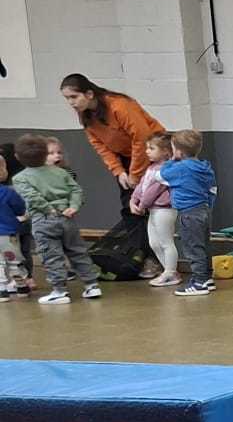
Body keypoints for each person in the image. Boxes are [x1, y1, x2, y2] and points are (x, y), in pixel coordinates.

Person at [13, 135, 100, 304]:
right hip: (68, 218)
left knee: (51, 256)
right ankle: (91, 285)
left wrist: (49, 209)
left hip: (44, 220)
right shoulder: (61, 172)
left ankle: (60, 291)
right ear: (45, 153)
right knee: (78, 251)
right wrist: (73, 206)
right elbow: (76, 190)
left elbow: (32, 197)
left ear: (17, 157)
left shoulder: (20, 178)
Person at [59, 73, 166, 197]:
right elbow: (99, 145)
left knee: (153, 198)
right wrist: (119, 171)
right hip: (127, 157)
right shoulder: (84, 113)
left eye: (74, 97)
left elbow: (142, 138)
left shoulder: (119, 105)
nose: (71, 103)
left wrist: (135, 174)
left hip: (154, 151)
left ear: (89, 94)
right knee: (129, 200)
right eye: (67, 98)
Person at [161, 130, 219, 298]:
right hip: (204, 210)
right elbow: (212, 189)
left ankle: (199, 283)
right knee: (204, 245)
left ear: (179, 151)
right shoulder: (205, 167)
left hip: (188, 213)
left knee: (193, 248)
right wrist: (208, 206)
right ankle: (207, 278)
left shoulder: (180, 168)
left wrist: (171, 161)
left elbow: (161, 175)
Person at [129, 132, 180, 287]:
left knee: (166, 242)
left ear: (165, 151)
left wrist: (142, 205)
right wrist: (133, 200)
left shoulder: (166, 169)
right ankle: (169, 271)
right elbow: (141, 186)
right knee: (154, 243)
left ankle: (170, 272)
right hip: (153, 210)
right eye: (147, 148)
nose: (147, 151)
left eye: (151, 148)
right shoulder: (151, 168)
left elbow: (153, 190)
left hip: (165, 210)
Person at [0, 157, 26, 297]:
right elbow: (20, 209)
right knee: (14, 261)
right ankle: (21, 286)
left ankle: (2, 289)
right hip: (8, 234)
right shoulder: (8, 192)